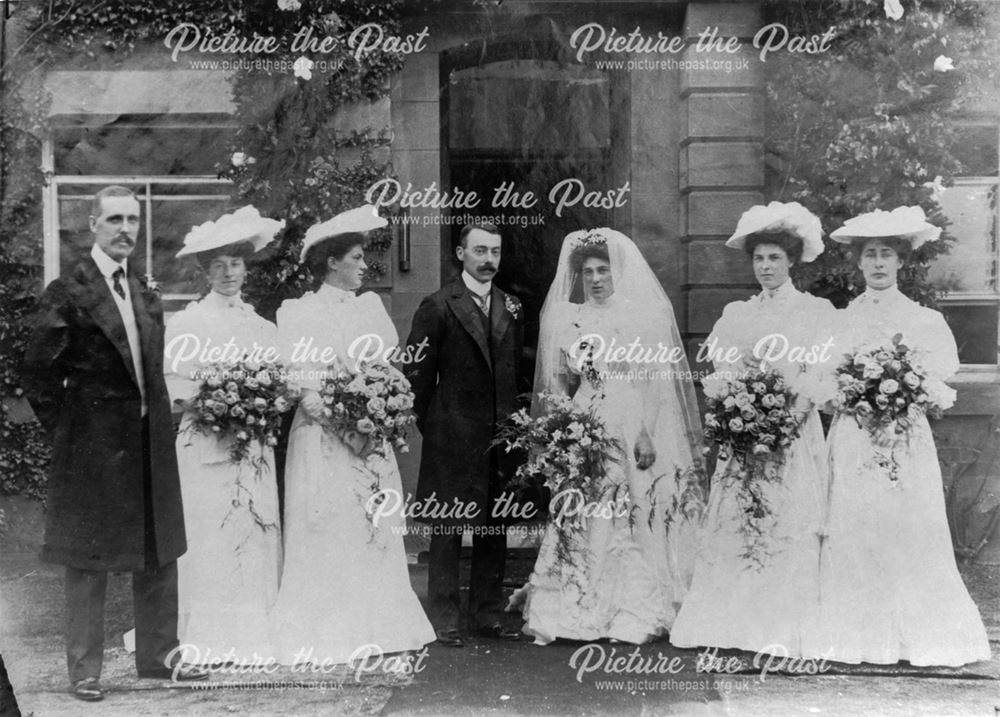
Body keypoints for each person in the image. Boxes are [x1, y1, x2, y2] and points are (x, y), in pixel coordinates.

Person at [21, 186, 207, 702]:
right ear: (93, 224)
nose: (126, 229)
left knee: (158, 552)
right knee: (88, 560)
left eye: (133, 220)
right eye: (116, 219)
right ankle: (84, 670)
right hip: (92, 450)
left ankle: (158, 658)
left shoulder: (144, 292)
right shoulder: (67, 291)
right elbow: (37, 371)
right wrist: (73, 430)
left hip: (149, 444)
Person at [512, 228, 704, 645]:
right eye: (588, 272)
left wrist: (645, 433)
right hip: (585, 417)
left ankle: (629, 610)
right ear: (579, 277)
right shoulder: (567, 317)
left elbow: (651, 383)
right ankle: (576, 607)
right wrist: (560, 429)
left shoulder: (639, 318)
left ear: (617, 272)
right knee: (582, 510)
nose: (596, 279)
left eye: (603, 270)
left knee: (629, 509)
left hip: (630, 418)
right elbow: (560, 382)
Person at [816, 206, 990, 666]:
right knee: (857, 524)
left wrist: (904, 391)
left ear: (900, 262)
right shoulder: (840, 321)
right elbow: (822, 382)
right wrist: (855, 392)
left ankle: (913, 633)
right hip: (855, 435)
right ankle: (857, 633)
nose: (877, 263)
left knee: (907, 524)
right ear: (857, 262)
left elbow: (939, 382)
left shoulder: (923, 320)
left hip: (904, 438)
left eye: (886, 254)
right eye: (869, 254)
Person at [270, 205, 434, 665]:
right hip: (322, 439)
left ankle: (378, 624)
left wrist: (375, 422)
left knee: (370, 523)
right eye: (358, 257)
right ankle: (326, 630)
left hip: (369, 440)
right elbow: (304, 386)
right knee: (327, 523)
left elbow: (383, 374)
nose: (365, 266)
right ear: (331, 262)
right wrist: (345, 427)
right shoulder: (298, 312)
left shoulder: (371, 308)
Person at [670, 201, 834, 658]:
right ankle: (733, 621)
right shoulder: (737, 314)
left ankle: (784, 623)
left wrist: (786, 417)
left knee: (788, 515)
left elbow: (820, 373)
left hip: (792, 433)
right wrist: (739, 409)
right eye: (759, 258)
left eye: (774, 258)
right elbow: (721, 370)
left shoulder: (814, 312)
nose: (766, 267)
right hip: (745, 431)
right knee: (740, 515)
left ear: (792, 261)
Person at [163, 206, 285, 664]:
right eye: (217, 265)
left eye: (235, 263)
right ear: (204, 271)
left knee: (254, 530)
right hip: (206, 444)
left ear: (245, 267)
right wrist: (219, 398)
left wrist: (257, 402)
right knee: (211, 534)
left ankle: (254, 634)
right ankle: (211, 635)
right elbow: (175, 391)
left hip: (252, 445)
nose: (228, 272)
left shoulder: (260, 325)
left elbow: (280, 386)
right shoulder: (188, 323)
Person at [403, 222, 525, 647]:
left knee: (495, 526)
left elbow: (516, 374)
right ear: (460, 253)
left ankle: (487, 615)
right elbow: (415, 379)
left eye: (494, 251)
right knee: (448, 530)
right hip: (452, 436)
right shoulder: (437, 305)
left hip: (499, 437)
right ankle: (445, 617)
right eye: (479, 251)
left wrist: (512, 426)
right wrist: (438, 426)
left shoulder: (511, 307)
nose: (488, 260)